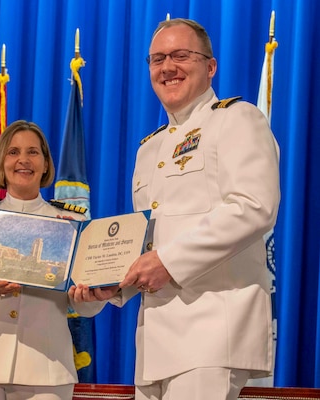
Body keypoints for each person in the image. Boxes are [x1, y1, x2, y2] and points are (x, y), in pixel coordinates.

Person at [69, 18, 280, 400]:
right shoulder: (148, 148)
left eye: (181, 56)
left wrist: (167, 261)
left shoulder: (238, 118)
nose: (168, 67)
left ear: (210, 66)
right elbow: (149, 246)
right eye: (157, 59)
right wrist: (111, 286)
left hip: (213, 331)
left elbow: (254, 207)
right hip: (155, 342)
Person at [0, 120, 105, 400]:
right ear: (1, 163)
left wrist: (93, 295)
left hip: (46, 371)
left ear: (46, 164)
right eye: (13, 152)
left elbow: (84, 306)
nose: (23, 160)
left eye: (33, 152)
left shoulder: (73, 223)